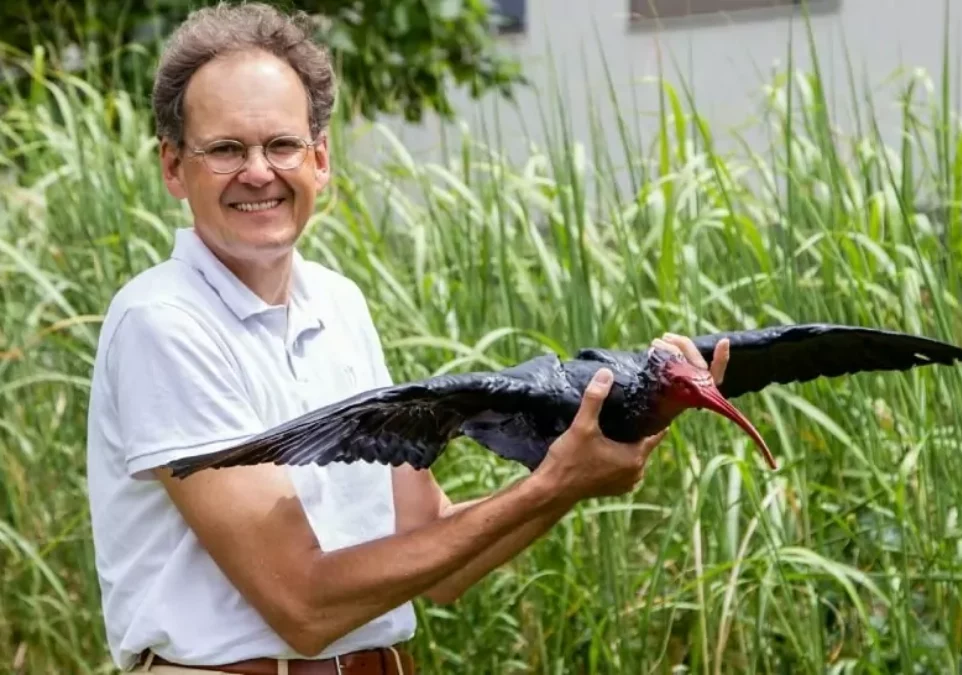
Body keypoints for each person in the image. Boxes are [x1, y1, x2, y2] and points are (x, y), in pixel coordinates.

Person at [85, 3, 731, 674]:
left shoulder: (339, 304)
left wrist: (581, 463)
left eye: (281, 145)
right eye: (225, 149)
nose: (258, 171)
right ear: (171, 167)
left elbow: (431, 551)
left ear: (320, 158)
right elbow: (303, 605)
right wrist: (549, 485)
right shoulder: (163, 322)